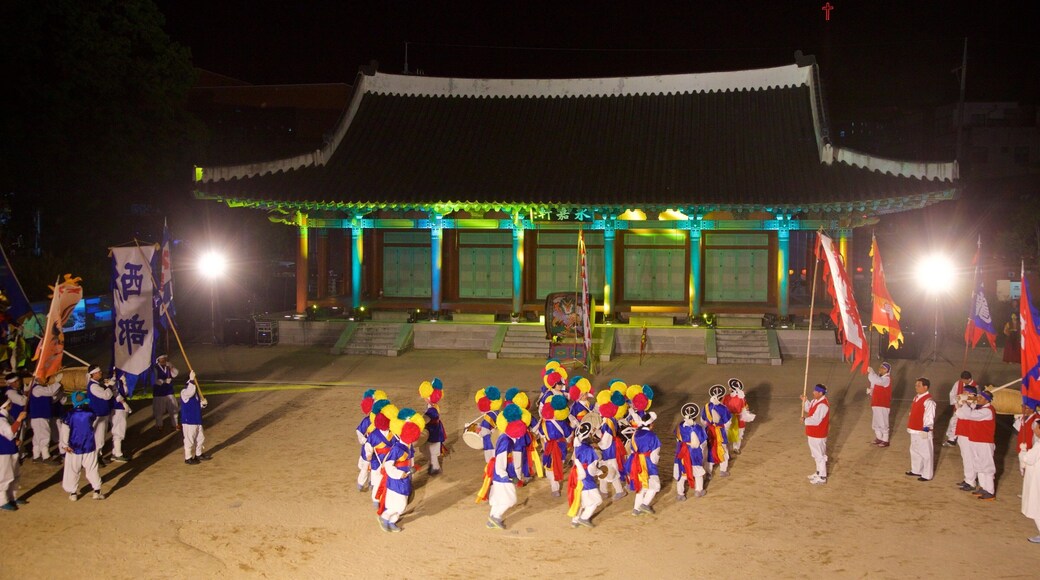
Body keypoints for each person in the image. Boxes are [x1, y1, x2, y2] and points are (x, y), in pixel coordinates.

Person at [478, 403, 529, 530]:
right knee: (510, 500)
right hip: (502, 475)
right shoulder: (506, 442)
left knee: (499, 499)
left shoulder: (505, 436)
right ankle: (495, 518)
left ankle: (493, 519)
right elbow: (501, 461)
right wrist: (507, 477)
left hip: (500, 474)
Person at [375, 409, 424, 533]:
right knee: (400, 504)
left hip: (405, 479)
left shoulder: (408, 446)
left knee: (401, 503)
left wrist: (411, 470)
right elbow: (388, 465)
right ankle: (385, 518)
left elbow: (410, 460)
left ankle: (391, 521)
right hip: (397, 480)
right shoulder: (396, 449)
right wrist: (398, 474)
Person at [62, 392, 105, 501]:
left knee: (73, 469)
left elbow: (65, 429)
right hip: (89, 445)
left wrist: (64, 445)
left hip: (74, 446)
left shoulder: (70, 414)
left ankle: (73, 493)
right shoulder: (90, 412)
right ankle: (97, 491)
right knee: (92, 468)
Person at [957, 389, 998, 500]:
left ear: (986, 400)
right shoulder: (982, 408)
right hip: (976, 441)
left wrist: (965, 403)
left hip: (984, 443)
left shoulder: (988, 411)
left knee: (987, 467)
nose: (977, 399)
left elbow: (970, 415)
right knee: (979, 465)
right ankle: (983, 488)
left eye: (980, 398)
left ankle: (990, 491)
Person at [567, 421, 603, 528]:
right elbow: (592, 469)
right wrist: (600, 472)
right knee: (597, 500)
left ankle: (575, 520)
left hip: (578, 475)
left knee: (583, 499)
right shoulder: (589, 450)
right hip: (587, 478)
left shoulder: (578, 445)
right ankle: (584, 518)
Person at [625, 410, 661, 515]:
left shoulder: (635, 433)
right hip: (648, 462)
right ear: (650, 424)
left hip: (636, 462)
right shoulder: (652, 436)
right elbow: (655, 453)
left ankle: (636, 509)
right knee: (655, 485)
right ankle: (644, 504)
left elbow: (632, 449)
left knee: (641, 486)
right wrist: (654, 463)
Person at [539, 394, 572, 498]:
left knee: (551, 467)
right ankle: (555, 487)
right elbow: (569, 435)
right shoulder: (562, 422)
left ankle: (555, 488)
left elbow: (542, 435)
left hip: (549, 447)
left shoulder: (544, 423)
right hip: (561, 446)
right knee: (558, 465)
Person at [674, 403, 707, 500]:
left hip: (682, 451)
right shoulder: (698, 428)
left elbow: (677, 437)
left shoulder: (680, 426)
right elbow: (702, 440)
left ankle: (680, 494)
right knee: (697, 471)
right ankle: (699, 490)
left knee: (682, 471)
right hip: (694, 452)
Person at [905, 377, 936, 481]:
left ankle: (927, 475)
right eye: (916, 385)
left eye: (918, 385)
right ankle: (916, 470)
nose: (916, 387)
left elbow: (929, 416)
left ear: (925, 387)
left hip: (922, 431)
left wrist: (926, 429)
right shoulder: (916, 397)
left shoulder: (929, 401)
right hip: (914, 429)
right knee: (914, 450)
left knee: (926, 453)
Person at [28, 375, 63, 463]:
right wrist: (57, 382)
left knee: (37, 437)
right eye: (44, 378)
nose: (46, 380)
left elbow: (52, 398)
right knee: (44, 436)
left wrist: (60, 392)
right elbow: (50, 391)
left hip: (41, 417)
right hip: (39, 417)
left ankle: (36, 455)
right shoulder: (37, 389)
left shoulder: (41, 390)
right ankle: (46, 457)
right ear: (38, 378)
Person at [0, 400, 28, 510]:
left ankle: (13, 496)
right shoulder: (1, 419)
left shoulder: (7, 417)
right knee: (4, 476)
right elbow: (10, 431)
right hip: (3, 451)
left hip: (11, 449)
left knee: (15, 474)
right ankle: (2, 501)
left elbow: (12, 433)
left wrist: (15, 439)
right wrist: (19, 419)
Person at [180, 371, 211, 465]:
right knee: (189, 439)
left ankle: (199, 454)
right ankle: (188, 457)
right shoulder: (184, 392)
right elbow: (190, 391)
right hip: (189, 421)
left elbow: (196, 405)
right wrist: (192, 380)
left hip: (197, 420)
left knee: (200, 438)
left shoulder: (195, 393)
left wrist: (203, 404)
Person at [802, 384, 830, 485]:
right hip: (813, 432)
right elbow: (809, 409)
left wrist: (805, 419)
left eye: (815, 391)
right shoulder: (815, 401)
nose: (813, 392)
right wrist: (805, 401)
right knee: (815, 454)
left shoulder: (823, 405)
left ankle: (822, 476)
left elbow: (817, 420)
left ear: (820, 393)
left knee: (820, 455)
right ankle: (818, 473)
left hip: (819, 433)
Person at [1018, 418, 1040, 543]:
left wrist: (1023, 451)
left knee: (1036, 505)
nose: (1034, 430)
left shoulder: (1039, 445)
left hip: (1036, 477)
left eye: (1036, 427)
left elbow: (1028, 459)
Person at [86, 365, 113, 467]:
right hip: (98, 415)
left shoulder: (97, 384)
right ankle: (95, 458)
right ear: (94, 374)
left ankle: (99, 456)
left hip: (102, 414)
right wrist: (109, 386)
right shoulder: (93, 386)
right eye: (99, 372)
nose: (101, 373)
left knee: (101, 437)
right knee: (99, 438)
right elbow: (106, 396)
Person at [419, 379, 447, 476]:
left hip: (434, 432)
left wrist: (417, 422)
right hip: (433, 430)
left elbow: (425, 419)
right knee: (426, 449)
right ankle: (433, 465)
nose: (424, 398)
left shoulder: (432, 410)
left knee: (431, 451)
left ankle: (435, 467)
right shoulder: (433, 405)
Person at [704, 385, 731, 477]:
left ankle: (708, 472)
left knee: (710, 450)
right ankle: (723, 470)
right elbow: (727, 422)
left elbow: (703, 420)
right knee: (723, 449)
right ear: (721, 397)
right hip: (720, 432)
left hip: (709, 431)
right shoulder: (724, 408)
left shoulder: (706, 406)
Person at [944, 371, 977, 447]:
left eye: (965, 380)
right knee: (954, 422)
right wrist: (956, 401)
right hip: (958, 407)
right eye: (962, 380)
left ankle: (965, 441)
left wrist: (964, 400)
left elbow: (976, 399)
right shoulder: (958, 383)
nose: (963, 382)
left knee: (965, 426)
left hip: (968, 410)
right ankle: (951, 440)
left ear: (969, 379)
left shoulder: (976, 386)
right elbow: (952, 393)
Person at [723, 379, 755, 454]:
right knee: (737, 434)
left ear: (731, 388)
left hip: (731, 418)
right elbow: (746, 408)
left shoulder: (726, 397)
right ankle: (735, 448)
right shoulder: (741, 398)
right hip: (736, 418)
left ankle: (728, 448)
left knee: (728, 434)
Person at [866, 362, 893, 447]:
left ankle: (885, 440)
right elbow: (874, 384)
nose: (880, 369)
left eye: (883, 368)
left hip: (883, 404)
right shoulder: (880, 378)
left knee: (883, 422)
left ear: (887, 371)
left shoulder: (887, 379)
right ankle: (879, 437)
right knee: (876, 422)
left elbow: (878, 381)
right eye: (880, 367)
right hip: (876, 403)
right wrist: (871, 391)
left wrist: (871, 372)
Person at [152, 354, 180, 433]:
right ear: (158, 360)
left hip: (169, 391)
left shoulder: (168, 366)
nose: (164, 360)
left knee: (174, 409)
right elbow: (155, 380)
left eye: (165, 358)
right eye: (162, 359)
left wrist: (171, 367)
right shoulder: (155, 368)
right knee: (159, 410)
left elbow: (175, 374)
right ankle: (159, 425)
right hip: (159, 393)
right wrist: (164, 381)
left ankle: (175, 424)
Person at [110, 375, 132, 462]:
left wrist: (125, 383)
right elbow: (116, 394)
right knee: (118, 431)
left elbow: (125, 392)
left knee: (118, 430)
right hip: (117, 408)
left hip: (121, 409)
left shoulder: (120, 381)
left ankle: (115, 452)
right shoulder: (113, 382)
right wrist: (123, 403)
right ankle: (118, 454)